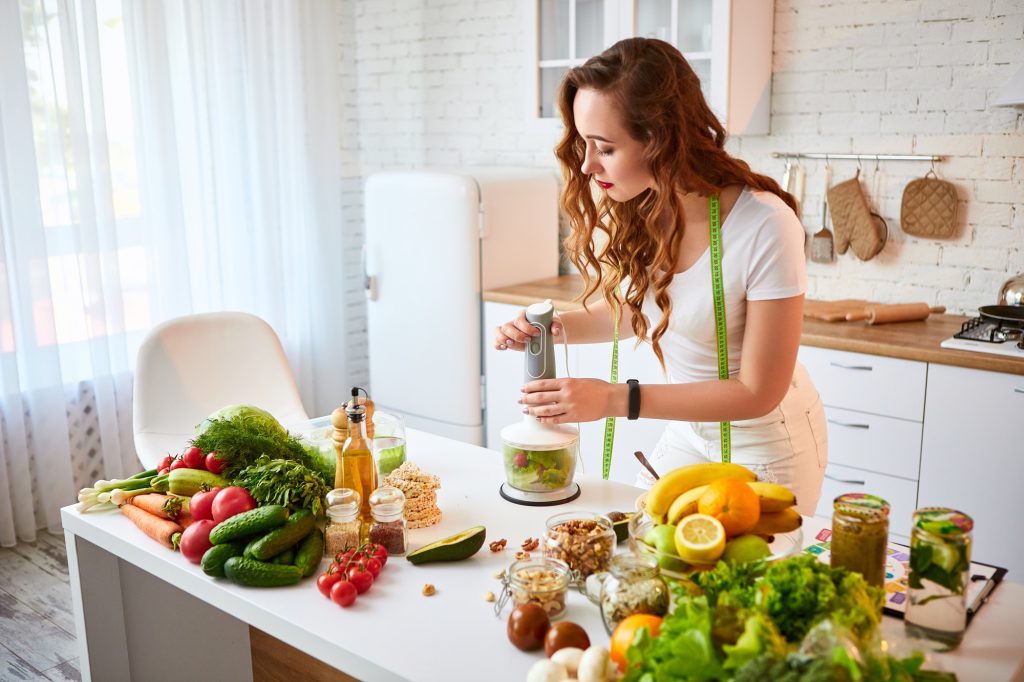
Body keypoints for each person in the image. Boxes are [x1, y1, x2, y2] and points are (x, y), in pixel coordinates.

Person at [494, 38, 827, 515]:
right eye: (584, 145)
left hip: (767, 445)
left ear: (659, 138)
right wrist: (552, 327)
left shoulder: (764, 225)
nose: (587, 166)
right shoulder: (645, 205)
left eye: (605, 148)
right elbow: (634, 311)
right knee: (642, 553)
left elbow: (758, 392)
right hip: (691, 433)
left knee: (733, 586)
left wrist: (613, 399)